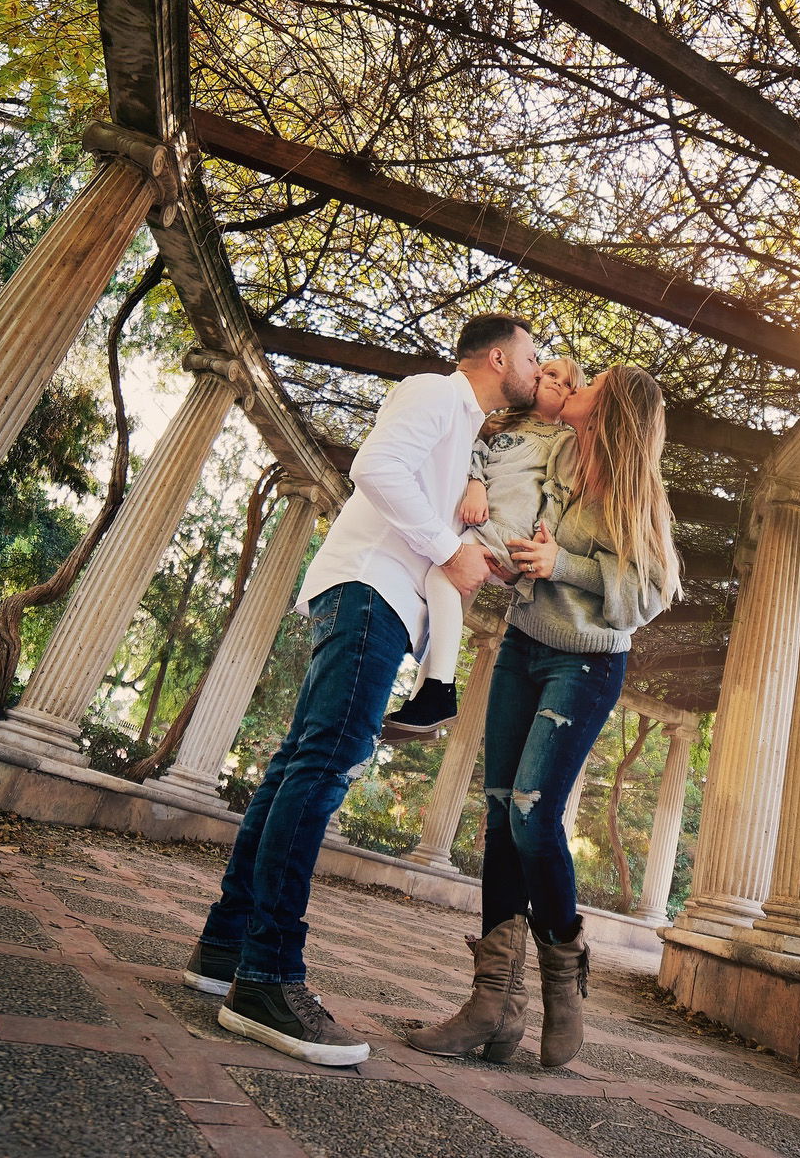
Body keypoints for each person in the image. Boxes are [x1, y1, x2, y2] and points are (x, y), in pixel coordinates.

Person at [183, 313, 541, 1066]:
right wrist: (448, 550)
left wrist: (467, 553)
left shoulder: (458, 426)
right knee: (321, 771)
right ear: (499, 356)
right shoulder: (436, 393)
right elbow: (374, 469)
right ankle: (269, 978)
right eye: (534, 357)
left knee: (295, 768)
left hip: (370, 594)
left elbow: (419, 505)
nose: (538, 372)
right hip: (367, 594)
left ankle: (224, 951)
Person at [404, 365, 680, 1069]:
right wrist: (476, 491)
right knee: (498, 812)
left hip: (585, 663)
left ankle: (565, 970)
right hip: (525, 642)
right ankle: (493, 1003)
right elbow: (483, 440)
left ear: (613, 407)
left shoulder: (639, 493)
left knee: (532, 813)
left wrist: (564, 563)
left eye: (595, 380)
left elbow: (651, 591)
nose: (575, 379)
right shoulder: (554, 448)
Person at [381, 356, 587, 740]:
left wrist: (539, 549)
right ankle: (424, 705)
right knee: (451, 600)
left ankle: (439, 689)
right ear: (537, 378)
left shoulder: (567, 440)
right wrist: (476, 484)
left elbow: (560, 493)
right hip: (479, 520)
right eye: (553, 374)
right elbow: (476, 453)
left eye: (570, 385)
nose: (559, 384)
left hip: (513, 530)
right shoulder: (499, 423)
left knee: (442, 575)